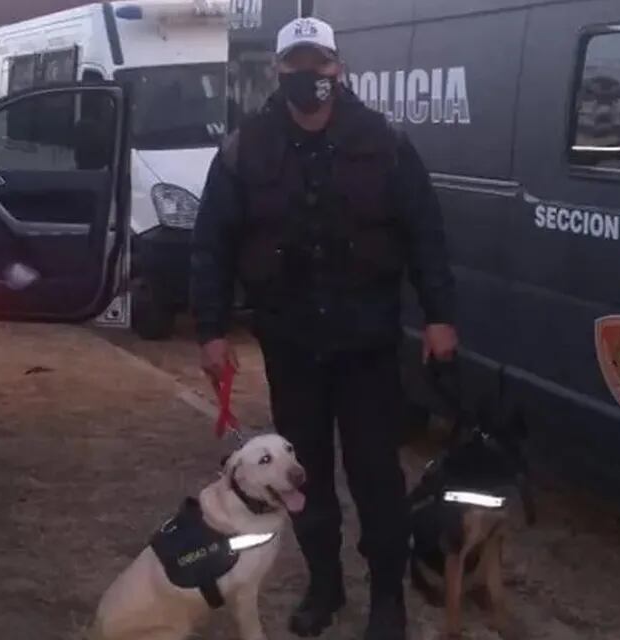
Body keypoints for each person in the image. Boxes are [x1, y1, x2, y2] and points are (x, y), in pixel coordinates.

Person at [191, 16, 458, 640]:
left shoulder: (385, 142)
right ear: (279, 71)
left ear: (338, 68)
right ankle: (325, 585)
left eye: (320, 63)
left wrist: (441, 315)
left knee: (376, 477)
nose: (308, 75)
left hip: (367, 346)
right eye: (296, 64)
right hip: (291, 346)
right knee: (298, 475)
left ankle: (386, 599)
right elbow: (212, 245)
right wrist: (210, 329)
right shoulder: (244, 148)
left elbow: (427, 235)